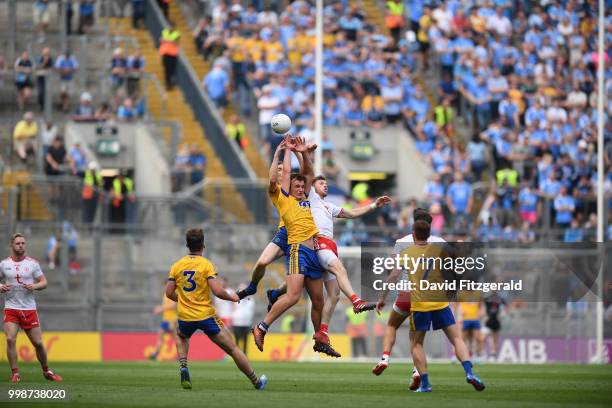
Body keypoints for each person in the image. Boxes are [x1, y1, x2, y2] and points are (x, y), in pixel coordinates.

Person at [250, 137, 334, 356]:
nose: (299, 188)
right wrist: (284, 151)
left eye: (301, 186)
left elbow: (308, 174)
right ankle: (261, 328)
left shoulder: (307, 199)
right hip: (298, 249)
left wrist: (304, 152)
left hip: (314, 251)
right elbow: (283, 174)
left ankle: (319, 339)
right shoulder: (282, 197)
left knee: (318, 299)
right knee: (294, 296)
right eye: (295, 185)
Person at [165, 228, 267, 390]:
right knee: (233, 349)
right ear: (203, 245)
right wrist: (233, 296)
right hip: (206, 316)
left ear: (187, 245)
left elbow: (169, 292)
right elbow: (218, 291)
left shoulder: (177, 266)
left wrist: (185, 301)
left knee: (181, 334)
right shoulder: (206, 265)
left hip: (185, 316)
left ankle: (183, 366)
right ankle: (257, 382)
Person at [403, 220, 484, 392]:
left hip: (420, 304)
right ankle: (469, 372)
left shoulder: (407, 252)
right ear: (429, 233)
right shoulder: (440, 251)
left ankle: (425, 383)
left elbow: (395, 274)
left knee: (416, 344)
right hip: (440, 301)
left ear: (414, 234)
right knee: (456, 339)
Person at [372, 208, 442, 390]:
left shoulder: (401, 242)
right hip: (426, 298)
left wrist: (382, 297)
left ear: (414, 224)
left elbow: (393, 272)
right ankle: (416, 372)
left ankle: (385, 358)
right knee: (417, 340)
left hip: (404, 294)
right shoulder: (439, 242)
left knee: (391, 325)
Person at [0, 233, 63, 383]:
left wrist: (34, 286)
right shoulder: (3, 264)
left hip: (29, 309)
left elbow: (44, 282)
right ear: (12, 245)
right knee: (10, 339)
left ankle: (47, 371)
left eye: (23, 243)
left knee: (38, 343)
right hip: (11, 308)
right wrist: (0, 286)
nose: (21, 245)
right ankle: (15, 373)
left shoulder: (32, 264)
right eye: (18, 243)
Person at [148, 284, 178, 361]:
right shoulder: (165, 294)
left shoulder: (173, 293)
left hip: (172, 321)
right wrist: (160, 309)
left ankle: (181, 355)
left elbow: (174, 305)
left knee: (176, 339)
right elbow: (167, 307)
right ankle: (156, 354)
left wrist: (161, 308)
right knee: (160, 337)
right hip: (165, 320)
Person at [232, 283, 255, 354]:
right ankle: (236, 355)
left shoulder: (250, 299)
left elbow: (251, 310)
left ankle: (244, 356)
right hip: (237, 322)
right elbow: (233, 308)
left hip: (246, 323)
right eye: (241, 288)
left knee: (245, 342)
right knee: (237, 341)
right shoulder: (235, 298)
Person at [159, 21, 181, 90]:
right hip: (165, 54)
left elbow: (175, 42)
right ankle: (167, 84)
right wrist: (169, 40)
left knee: (172, 70)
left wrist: (167, 40)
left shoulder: (177, 33)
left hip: (173, 54)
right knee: (166, 70)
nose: (170, 27)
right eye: (169, 26)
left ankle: (171, 83)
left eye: (171, 26)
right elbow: (161, 40)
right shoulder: (164, 32)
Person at [36, 47, 53, 112]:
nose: (47, 54)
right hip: (40, 78)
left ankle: (47, 107)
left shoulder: (50, 59)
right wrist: (44, 62)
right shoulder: (39, 58)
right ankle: (41, 105)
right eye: (45, 52)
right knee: (41, 92)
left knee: (47, 93)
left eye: (48, 52)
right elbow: (38, 67)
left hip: (48, 79)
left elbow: (51, 68)